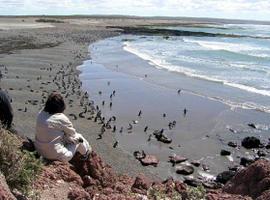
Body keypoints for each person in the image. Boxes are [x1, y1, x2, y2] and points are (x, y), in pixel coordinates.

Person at [35, 92, 91, 162]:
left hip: (39, 150)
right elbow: (73, 134)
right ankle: (86, 153)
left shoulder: (40, 114)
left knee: (61, 136)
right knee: (79, 138)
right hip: (57, 156)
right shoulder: (61, 118)